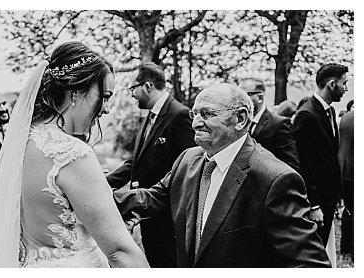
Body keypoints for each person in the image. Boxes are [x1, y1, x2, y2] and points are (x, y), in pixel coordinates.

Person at [114, 83, 329, 267]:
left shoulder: (275, 179)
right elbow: (153, 198)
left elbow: (309, 264)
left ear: (241, 119)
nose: (196, 123)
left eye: (206, 114)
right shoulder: (188, 159)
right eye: (194, 114)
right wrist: (92, 198)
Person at [0, 41, 148, 268]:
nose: (106, 108)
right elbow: (120, 252)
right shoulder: (72, 154)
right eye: (104, 96)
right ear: (76, 91)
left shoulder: (19, 143)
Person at [104, 62, 196, 268]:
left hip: (167, 221)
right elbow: (136, 163)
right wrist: (101, 182)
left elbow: (187, 169)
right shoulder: (149, 117)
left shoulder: (179, 115)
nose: (131, 94)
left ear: (147, 86)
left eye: (132, 88)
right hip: (146, 216)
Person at [294, 63, 349, 244]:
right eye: (344, 84)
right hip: (316, 200)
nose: (346, 89)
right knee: (313, 250)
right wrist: (314, 204)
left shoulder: (330, 111)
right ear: (332, 85)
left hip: (329, 194)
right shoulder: (307, 115)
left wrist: (338, 194)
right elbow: (304, 164)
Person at [239, 78, 300, 171]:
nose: (239, 101)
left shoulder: (279, 124)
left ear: (260, 97)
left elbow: (292, 164)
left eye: (244, 96)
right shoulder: (239, 123)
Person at [338, 110, 354, 257]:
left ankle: (346, 247)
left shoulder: (346, 117)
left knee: (348, 210)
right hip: (354, 170)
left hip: (344, 170)